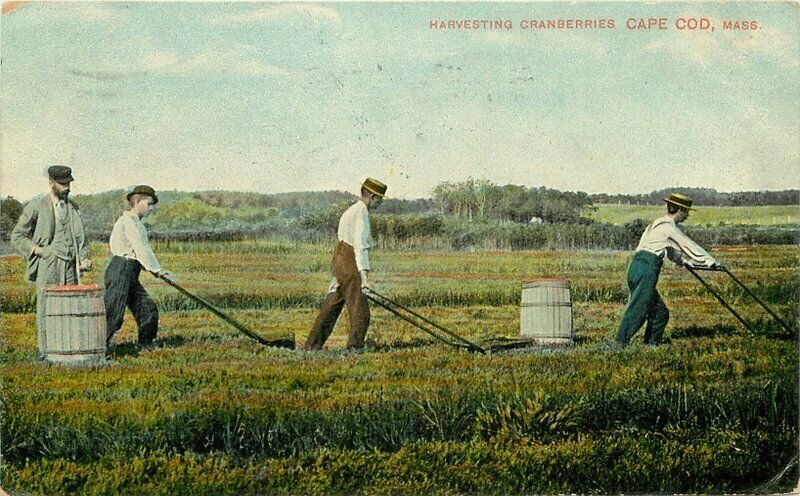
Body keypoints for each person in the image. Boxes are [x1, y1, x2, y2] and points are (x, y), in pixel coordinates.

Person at [616, 193, 722, 346]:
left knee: (660, 313)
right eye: (686, 212)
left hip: (635, 268)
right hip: (647, 268)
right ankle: (619, 343)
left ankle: (651, 345)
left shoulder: (655, 225)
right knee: (639, 308)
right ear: (679, 210)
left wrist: (685, 262)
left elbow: (672, 252)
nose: (687, 216)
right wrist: (710, 261)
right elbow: (689, 245)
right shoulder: (669, 228)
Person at [10, 165, 91, 355]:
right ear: (51, 183)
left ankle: (68, 348)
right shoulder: (37, 206)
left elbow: (82, 239)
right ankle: (46, 352)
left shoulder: (74, 207)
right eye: (62, 184)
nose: (67, 188)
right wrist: (38, 251)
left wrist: (84, 258)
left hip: (71, 267)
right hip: (48, 265)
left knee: (71, 306)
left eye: (69, 183)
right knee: (47, 307)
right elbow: (17, 236)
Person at [305, 178, 387, 351]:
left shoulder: (351, 210)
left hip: (340, 259)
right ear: (371, 196)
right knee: (360, 310)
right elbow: (359, 245)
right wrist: (364, 277)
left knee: (332, 305)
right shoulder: (362, 212)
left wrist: (338, 273)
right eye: (379, 199)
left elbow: (342, 239)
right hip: (350, 262)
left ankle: (312, 346)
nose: (380, 203)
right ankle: (354, 348)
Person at [104, 185, 173, 349]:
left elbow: (142, 251)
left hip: (130, 271)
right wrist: (157, 270)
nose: (152, 208)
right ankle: (98, 348)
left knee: (148, 309)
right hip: (121, 269)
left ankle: (146, 344)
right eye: (149, 204)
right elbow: (140, 248)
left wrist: (156, 270)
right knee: (114, 314)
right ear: (137, 201)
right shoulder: (128, 222)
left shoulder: (137, 223)